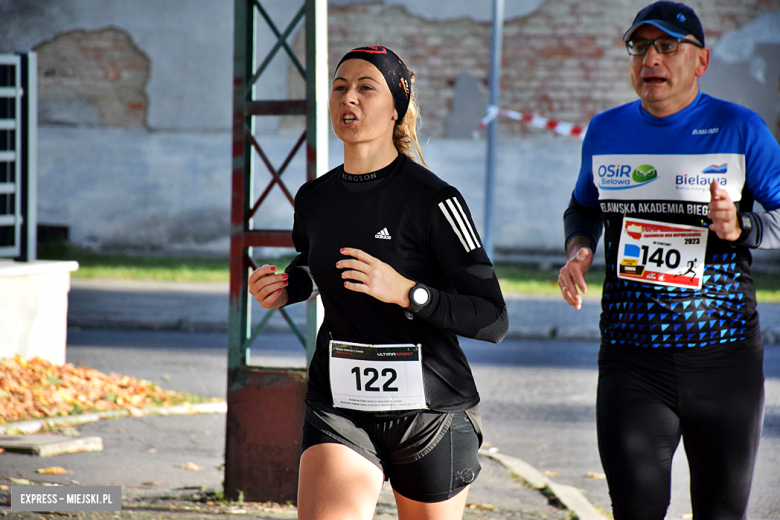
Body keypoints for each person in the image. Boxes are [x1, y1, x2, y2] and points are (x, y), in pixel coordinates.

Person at [248, 45, 508, 520]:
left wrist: (408, 292)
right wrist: (289, 286)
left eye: (367, 88)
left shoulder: (433, 199)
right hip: (339, 402)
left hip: (430, 412)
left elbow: (492, 317)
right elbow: (319, 265)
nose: (350, 98)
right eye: (340, 87)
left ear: (397, 108)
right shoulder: (314, 198)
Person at [558, 2, 780, 519]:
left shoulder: (740, 128)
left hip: (723, 362)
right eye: (640, 47)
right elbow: (584, 207)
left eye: (667, 46)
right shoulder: (606, 130)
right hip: (632, 361)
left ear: (700, 62)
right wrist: (580, 249)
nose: (650, 58)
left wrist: (740, 227)